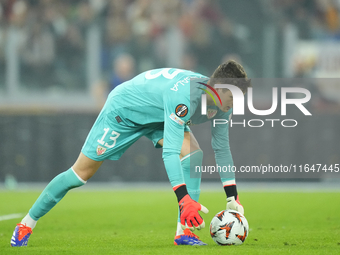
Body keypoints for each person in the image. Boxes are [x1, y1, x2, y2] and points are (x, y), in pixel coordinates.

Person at [11, 60, 251, 247]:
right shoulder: (186, 97)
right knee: (79, 174)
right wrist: (183, 199)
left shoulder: (223, 104)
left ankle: (184, 231)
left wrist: (232, 195)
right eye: (233, 96)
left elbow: (221, 148)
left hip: (157, 114)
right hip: (125, 110)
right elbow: (169, 152)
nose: (236, 102)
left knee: (193, 154)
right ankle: (25, 224)